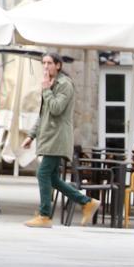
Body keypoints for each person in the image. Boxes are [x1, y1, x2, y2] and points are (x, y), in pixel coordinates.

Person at [22, 52, 100, 228]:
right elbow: (44, 114)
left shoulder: (65, 85)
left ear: (58, 65)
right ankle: (87, 202)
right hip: (49, 137)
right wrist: (30, 136)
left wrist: (46, 90)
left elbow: (56, 109)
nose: (45, 67)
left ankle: (44, 216)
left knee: (42, 173)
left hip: (57, 138)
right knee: (53, 179)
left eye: (49, 63)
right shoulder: (50, 84)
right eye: (43, 63)